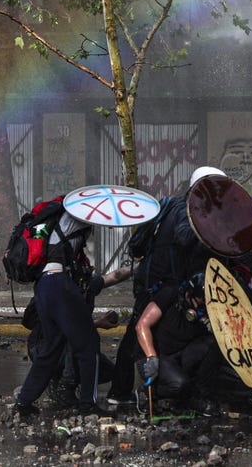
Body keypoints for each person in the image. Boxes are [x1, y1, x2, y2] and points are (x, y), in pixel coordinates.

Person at [105, 166, 220, 406]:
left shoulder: (184, 207)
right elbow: (183, 236)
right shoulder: (184, 210)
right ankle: (128, 390)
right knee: (137, 335)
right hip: (158, 284)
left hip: (163, 282)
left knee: (153, 333)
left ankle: (138, 385)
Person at [13, 208, 129, 417]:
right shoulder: (75, 214)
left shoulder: (52, 224)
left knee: (52, 347)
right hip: (59, 282)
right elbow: (104, 214)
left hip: (44, 284)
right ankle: (88, 404)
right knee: (89, 344)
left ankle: (23, 403)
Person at [133, 274, 223, 415]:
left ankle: (197, 397)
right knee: (180, 384)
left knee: (212, 345)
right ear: (188, 294)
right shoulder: (170, 294)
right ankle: (150, 392)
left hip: (181, 353)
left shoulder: (206, 311)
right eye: (200, 302)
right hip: (158, 355)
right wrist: (152, 357)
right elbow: (142, 326)